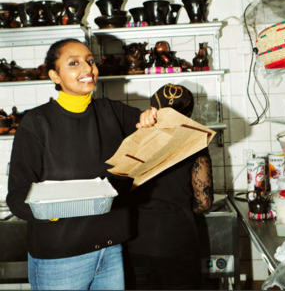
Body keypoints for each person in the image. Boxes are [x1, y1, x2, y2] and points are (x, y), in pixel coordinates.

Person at [6, 38, 157, 291]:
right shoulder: (37, 122)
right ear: (55, 76)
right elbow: (18, 196)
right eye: (74, 63)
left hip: (109, 249)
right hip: (61, 257)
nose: (88, 69)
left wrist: (151, 117)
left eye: (90, 61)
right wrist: (57, 210)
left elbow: (158, 126)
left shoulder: (111, 112)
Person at [124, 83, 213, 290]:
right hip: (178, 239)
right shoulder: (194, 143)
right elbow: (204, 201)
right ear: (188, 113)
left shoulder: (133, 138)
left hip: (136, 239)